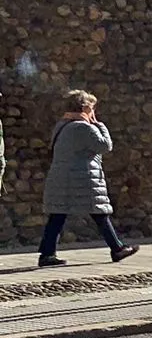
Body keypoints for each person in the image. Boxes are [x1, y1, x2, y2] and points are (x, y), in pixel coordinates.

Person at [39, 89, 137, 267]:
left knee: (58, 215)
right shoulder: (82, 127)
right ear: (84, 108)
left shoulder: (62, 125)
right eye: (92, 108)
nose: (93, 112)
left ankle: (47, 254)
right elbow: (105, 145)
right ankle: (117, 248)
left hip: (63, 177)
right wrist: (99, 124)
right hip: (81, 177)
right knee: (99, 212)